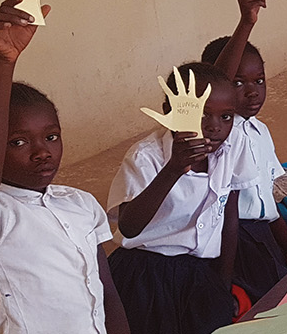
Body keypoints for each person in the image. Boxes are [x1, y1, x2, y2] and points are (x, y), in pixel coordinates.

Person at [0, 0, 129, 334]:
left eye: (51, 137)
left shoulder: (80, 204)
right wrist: (3, 63)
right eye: (17, 142)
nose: (42, 152)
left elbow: (106, 292)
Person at [106, 62, 258, 334]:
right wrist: (173, 169)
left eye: (226, 117)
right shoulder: (145, 157)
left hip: (200, 273)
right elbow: (128, 226)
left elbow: (229, 218)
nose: (214, 127)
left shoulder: (234, 146)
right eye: (201, 115)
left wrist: (223, 283)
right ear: (170, 114)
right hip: (146, 275)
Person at [202, 0, 287, 302]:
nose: (252, 91)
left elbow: (266, 202)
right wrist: (246, 22)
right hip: (233, 242)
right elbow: (214, 83)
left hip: (262, 234)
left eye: (259, 81)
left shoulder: (259, 131)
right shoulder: (220, 134)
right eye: (238, 82)